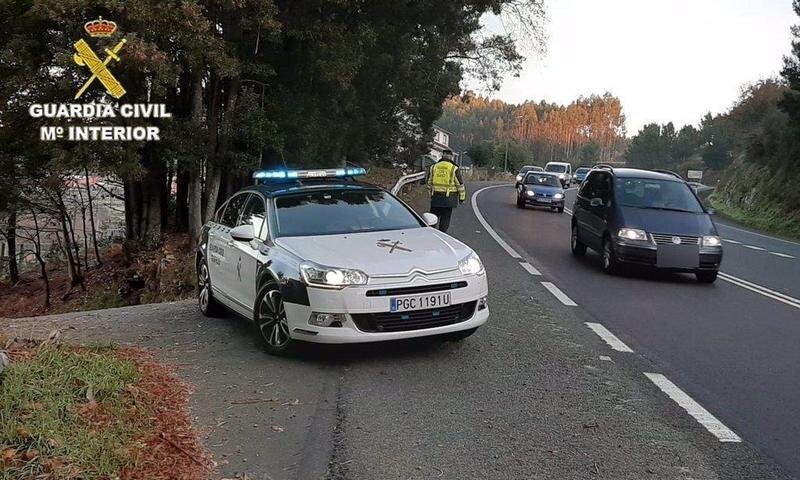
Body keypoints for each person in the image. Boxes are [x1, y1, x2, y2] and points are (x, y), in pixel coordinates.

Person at [426, 149, 465, 233]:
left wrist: (430, 193)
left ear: (442, 155)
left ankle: (430, 234)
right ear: (451, 157)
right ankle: (442, 235)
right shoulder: (454, 168)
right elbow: (460, 185)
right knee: (445, 219)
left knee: (433, 218)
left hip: (436, 197)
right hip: (449, 199)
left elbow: (429, 182)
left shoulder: (434, 167)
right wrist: (462, 198)